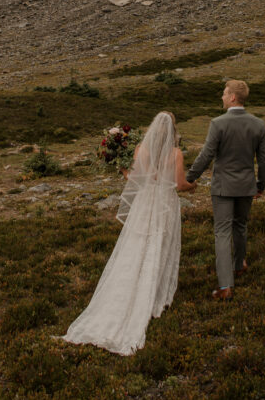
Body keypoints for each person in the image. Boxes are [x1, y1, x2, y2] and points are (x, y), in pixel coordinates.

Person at [61, 111, 196, 355]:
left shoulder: (140, 150)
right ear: (173, 131)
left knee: (137, 245)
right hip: (163, 204)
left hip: (144, 203)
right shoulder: (175, 154)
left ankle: (130, 286)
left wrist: (120, 168)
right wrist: (193, 185)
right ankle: (154, 294)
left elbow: (134, 178)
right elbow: (180, 185)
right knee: (159, 245)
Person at [187, 79, 265, 301]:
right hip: (246, 185)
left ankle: (225, 286)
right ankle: (238, 264)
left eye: (224, 93)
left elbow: (206, 155)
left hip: (223, 187)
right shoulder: (258, 124)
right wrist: (260, 185)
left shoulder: (218, 123)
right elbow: (263, 161)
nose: (222, 97)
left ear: (233, 97)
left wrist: (189, 178)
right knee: (241, 225)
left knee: (222, 233)